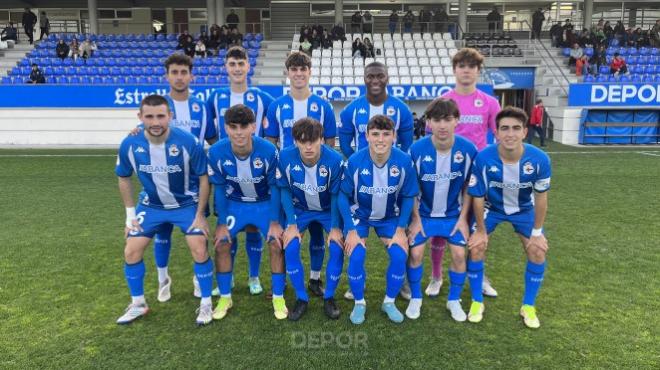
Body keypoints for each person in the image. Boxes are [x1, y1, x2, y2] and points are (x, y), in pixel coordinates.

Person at [115, 94, 214, 326]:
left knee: (199, 247)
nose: (155, 122)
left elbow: (203, 178)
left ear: (170, 116)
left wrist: (200, 215)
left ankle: (207, 302)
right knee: (131, 250)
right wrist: (130, 216)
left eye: (161, 116)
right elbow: (123, 178)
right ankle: (138, 303)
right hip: (151, 206)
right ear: (140, 118)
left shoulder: (188, 142)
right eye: (149, 117)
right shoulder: (131, 143)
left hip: (186, 205)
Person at [130, 54, 218, 301]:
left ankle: (197, 280)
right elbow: (145, 134)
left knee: (198, 234)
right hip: (162, 182)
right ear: (167, 75)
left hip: (194, 186)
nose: (179, 77)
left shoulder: (201, 106)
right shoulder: (158, 106)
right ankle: (163, 279)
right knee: (162, 232)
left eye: (183, 72)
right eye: (174, 72)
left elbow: (211, 138)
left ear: (192, 75)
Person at [467, 106, 552, 329]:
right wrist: (481, 231)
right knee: (476, 247)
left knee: (537, 251)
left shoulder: (540, 159)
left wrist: (536, 233)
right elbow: (476, 197)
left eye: (516, 128)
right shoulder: (484, 158)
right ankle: (477, 301)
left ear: (525, 132)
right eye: (504, 128)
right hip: (491, 207)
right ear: (496, 132)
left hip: (524, 209)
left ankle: (529, 306)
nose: (510, 134)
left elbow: (541, 198)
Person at [265, 51, 337, 297]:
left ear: (309, 72)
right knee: (290, 232)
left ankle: (315, 279)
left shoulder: (323, 105)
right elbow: (270, 142)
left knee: (317, 232)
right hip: (290, 181)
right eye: (293, 69)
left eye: (302, 69)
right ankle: (284, 279)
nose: (298, 73)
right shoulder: (276, 106)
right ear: (288, 73)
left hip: (318, 182)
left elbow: (329, 142)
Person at [431, 48, 501, 299]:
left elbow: (499, 136)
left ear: (478, 71)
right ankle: (436, 276)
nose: (467, 70)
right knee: (440, 224)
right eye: (462, 66)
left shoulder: (490, 102)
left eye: (472, 66)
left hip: (477, 175)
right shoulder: (445, 100)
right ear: (454, 70)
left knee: (476, 226)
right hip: (448, 173)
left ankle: (479, 276)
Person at [208, 104, 287, 321]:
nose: (239, 132)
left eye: (244, 126)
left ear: (254, 127)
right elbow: (220, 190)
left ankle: (278, 296)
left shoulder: (269, 151)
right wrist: (222, 222)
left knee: (275, 242)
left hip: (264, 203)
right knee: (221, 242)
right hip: (236, 204)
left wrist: (274, 221)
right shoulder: (216, 152)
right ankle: (225, 297)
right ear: (226, 128)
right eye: (233, 127)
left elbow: (276, 188)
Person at [206, 46, 275, 295]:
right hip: (229, 173)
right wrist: (227, 157)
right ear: (226, 67)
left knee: (254, 227)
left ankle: (254, 277)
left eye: (241, 63)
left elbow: (272, 134)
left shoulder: (262, 98)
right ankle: (229, 277)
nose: (237, 68)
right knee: (228, 232)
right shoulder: (214, 98)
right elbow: (209, 133)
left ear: (248, 66)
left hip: (257, 175)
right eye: (232, 64)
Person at [339, 114, 419, 324]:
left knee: (400, 255)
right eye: (375, 134)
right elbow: (342, 196)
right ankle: (359, 303)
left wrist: (401, 229)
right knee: (355, 255)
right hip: (360, 216)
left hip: (389, 217)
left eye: (386, 134)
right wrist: (351, 230)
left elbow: (409, 196)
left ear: (394, 136)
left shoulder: (403, 161)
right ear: (366, 136)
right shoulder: (355, 161)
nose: (380, 139)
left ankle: (389, 302)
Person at [407, 98, 478, 321]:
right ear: (428, 123)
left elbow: (469, 187)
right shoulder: (417, 150)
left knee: (459, 253)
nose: (442, 125)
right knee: (416, 253)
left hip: (453, 215)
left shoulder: (468, 150)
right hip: (424, 215)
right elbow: (411, 189)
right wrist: (416, 219)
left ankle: (453, 300)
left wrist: (464, 218)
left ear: (457, 120)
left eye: (448, 119)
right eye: (436, 120)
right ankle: (416, 297)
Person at [276, 118, 345, 321]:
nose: (308, 146)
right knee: (290, 246)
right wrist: (290, 224)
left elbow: (335, 196)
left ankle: (329, 297)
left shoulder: (334, 160)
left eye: (313, 140)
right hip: (301, 209)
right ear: (295, 141)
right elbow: (285, 191)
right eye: (302, 140)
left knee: (336, 246)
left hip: (326, 210)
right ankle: (301, 298)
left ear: (321, 140)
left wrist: (334, 227)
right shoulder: (285, 157)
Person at [339, 62, 414, 159]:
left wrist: (396, 163)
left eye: (380, 76)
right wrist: (357, 162)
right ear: (364, 79)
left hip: (393, 170)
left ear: (387, 79)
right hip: (362, 170)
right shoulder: (350, 110)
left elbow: (407, 144)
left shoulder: (402, 110)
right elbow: (345, 145)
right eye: (370, 76)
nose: (375, 81)